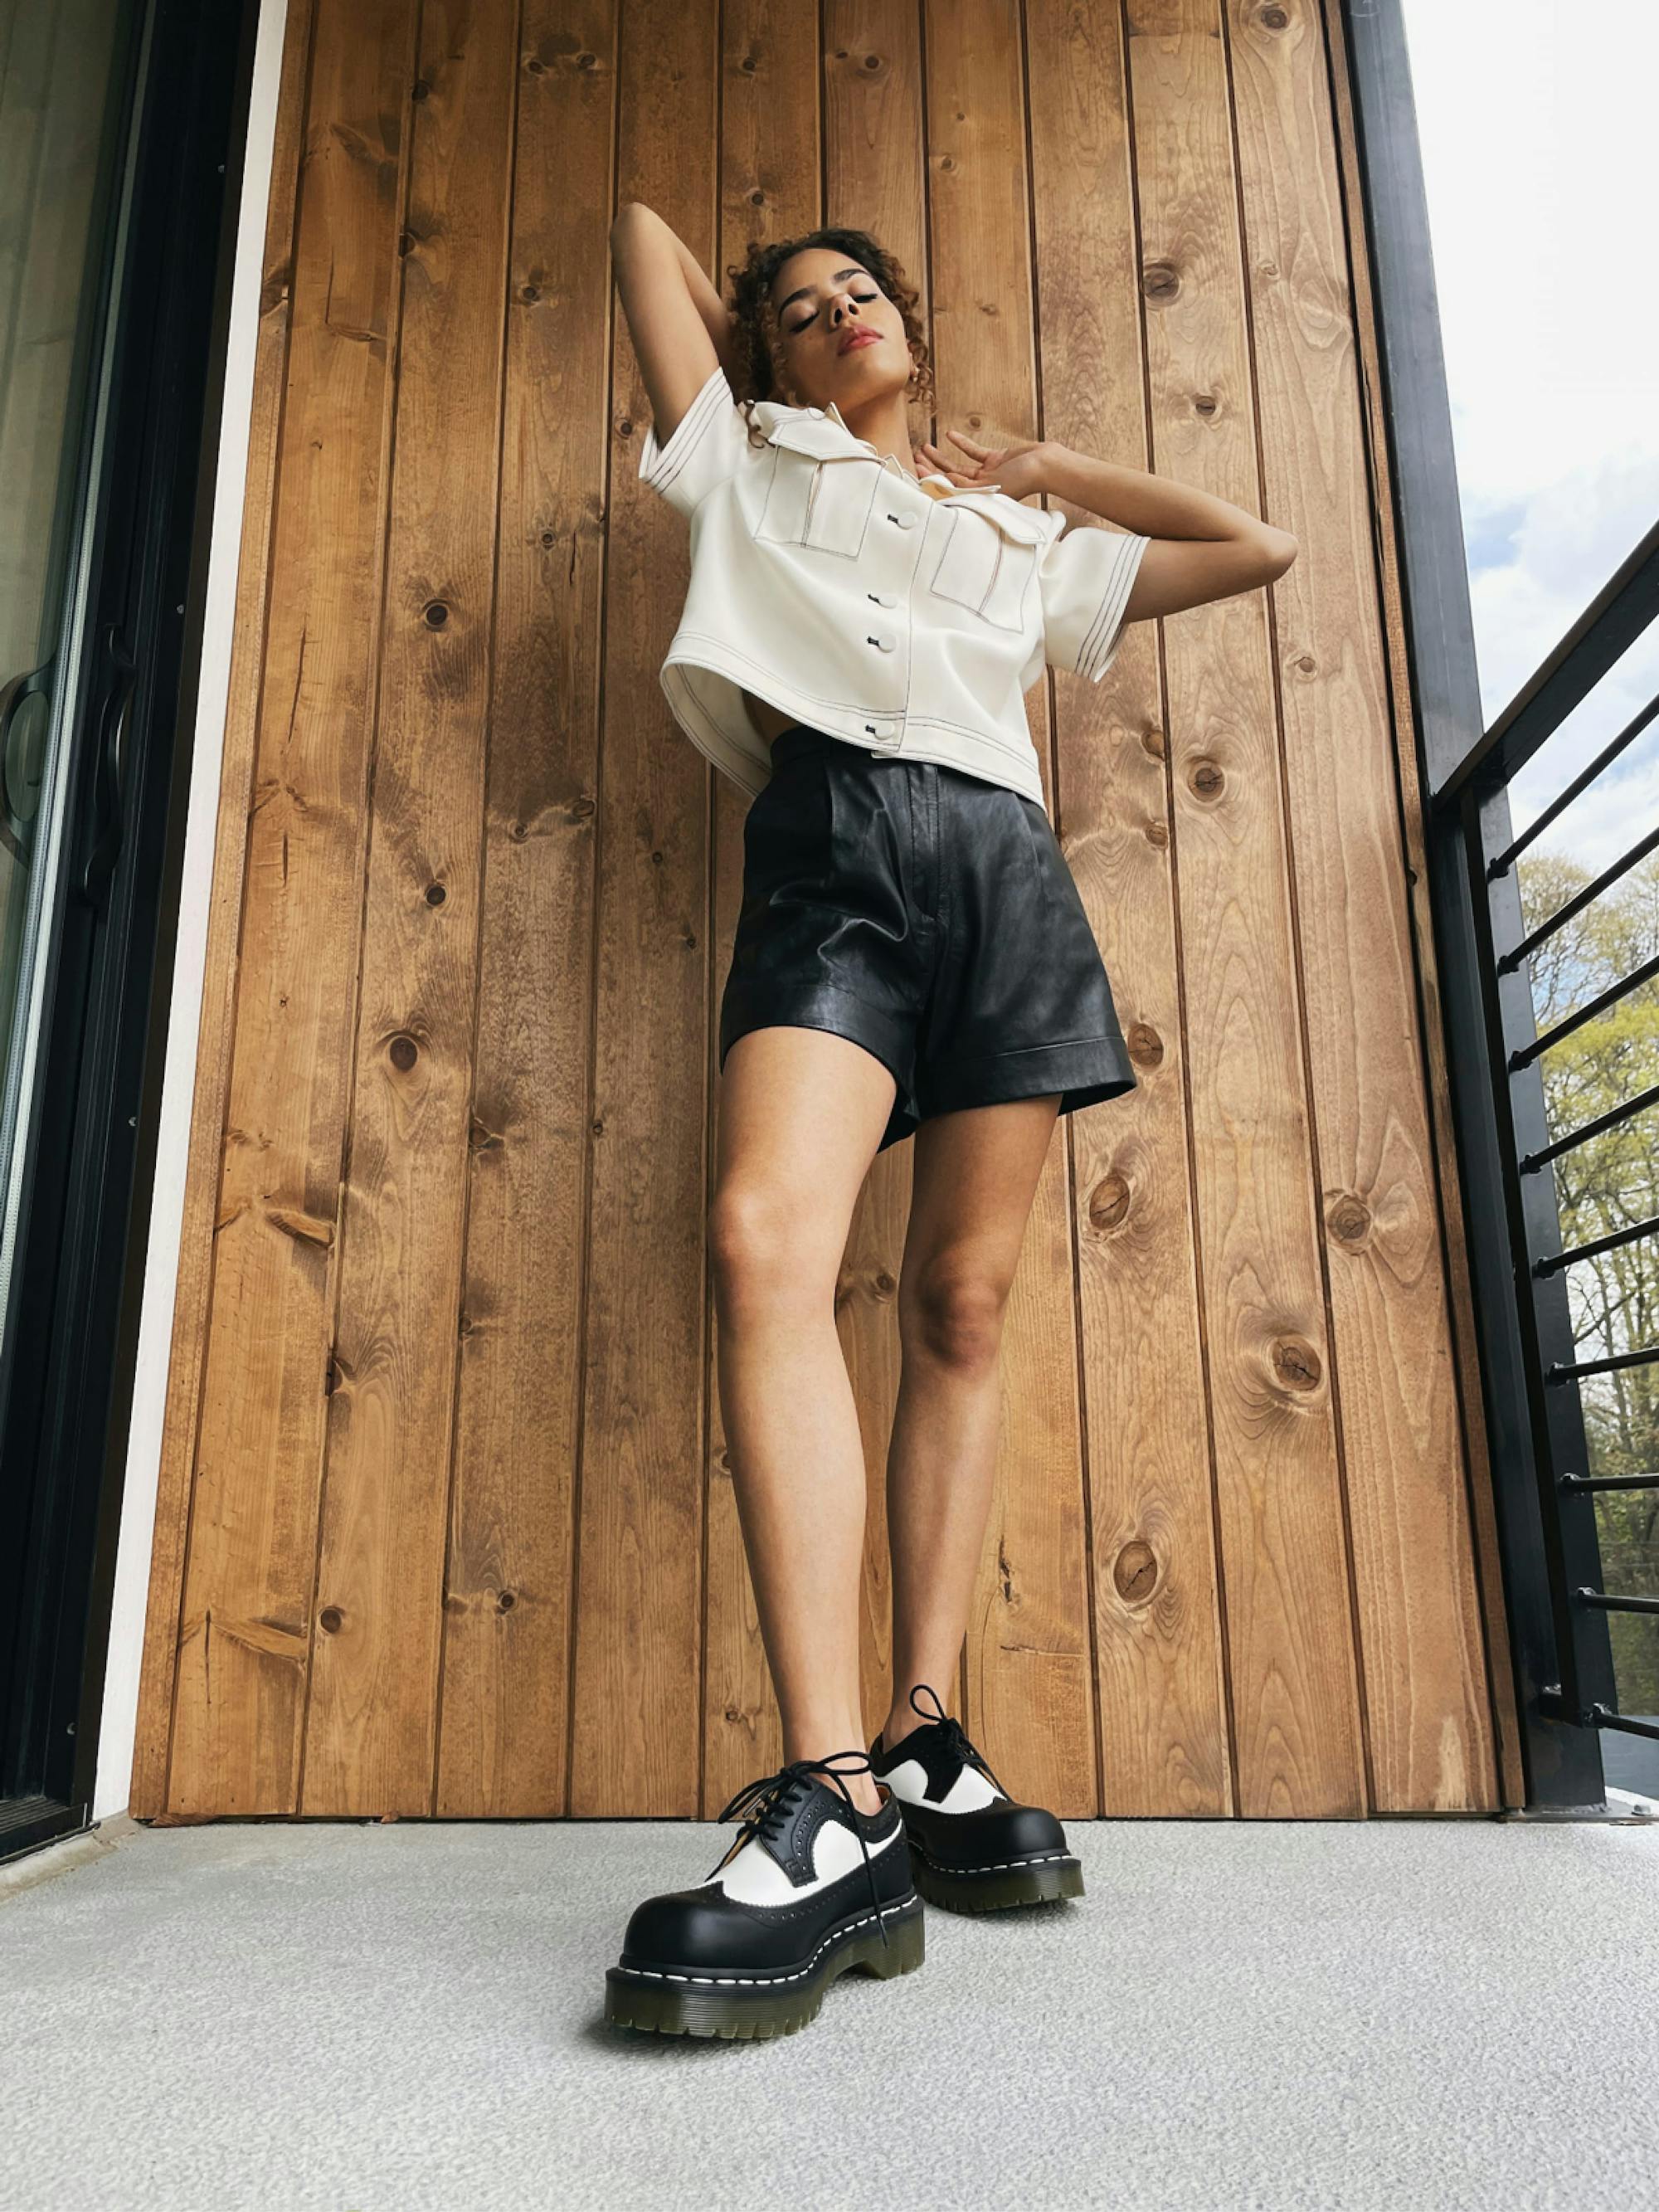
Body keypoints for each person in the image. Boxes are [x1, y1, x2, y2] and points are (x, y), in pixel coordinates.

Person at [601, 204, 1298, 2041]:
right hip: (831, 858)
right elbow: (639, 232)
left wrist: (1049, 463)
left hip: (1003, 874)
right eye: (805, 309)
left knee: (960, 1308)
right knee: (768, 1240)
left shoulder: (1021, 535)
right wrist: (754, 352)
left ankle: (918, 1733)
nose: (837, 318)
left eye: (865, 295)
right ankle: (828, 1794)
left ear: (918, 320)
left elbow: (1256, 543)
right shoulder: (739, 462)